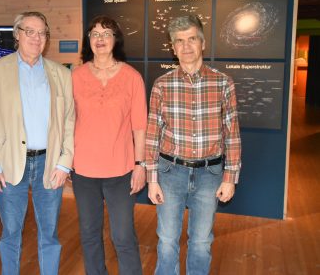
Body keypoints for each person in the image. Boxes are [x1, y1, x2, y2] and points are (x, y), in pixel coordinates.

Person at [0, 11, 75, 275]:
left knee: (50, 233)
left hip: (49, 164)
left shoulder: (60, 74)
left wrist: (65, 164)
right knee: (10, 232)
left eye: (42, 32)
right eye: (29, 31)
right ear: (17, 34)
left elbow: (68, 121)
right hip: (9, 164)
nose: (36, 37)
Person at [146, 15, 242, 275]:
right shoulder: (161, 85)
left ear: (202, 43)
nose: (186, 46)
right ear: (173, 48)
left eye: (191, 39)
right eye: (179, 41)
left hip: (210, 175)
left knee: (201, 242)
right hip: (170, 172)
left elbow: (231, 134)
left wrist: (230, 178)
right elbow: (153, 134)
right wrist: (151, 178)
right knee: (166, 240)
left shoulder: (223, 83)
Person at [71, 15, 147, 275]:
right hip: (83, 172)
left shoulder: (132, 77)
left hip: (121, 172)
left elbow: (140, 127)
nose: (100, 39)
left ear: (116, 40)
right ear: (88, 41)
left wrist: (140, 165)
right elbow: (67, 122)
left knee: (123, 237)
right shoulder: (76, 76)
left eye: (106, 33)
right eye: (94, 33)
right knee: (89, 236)